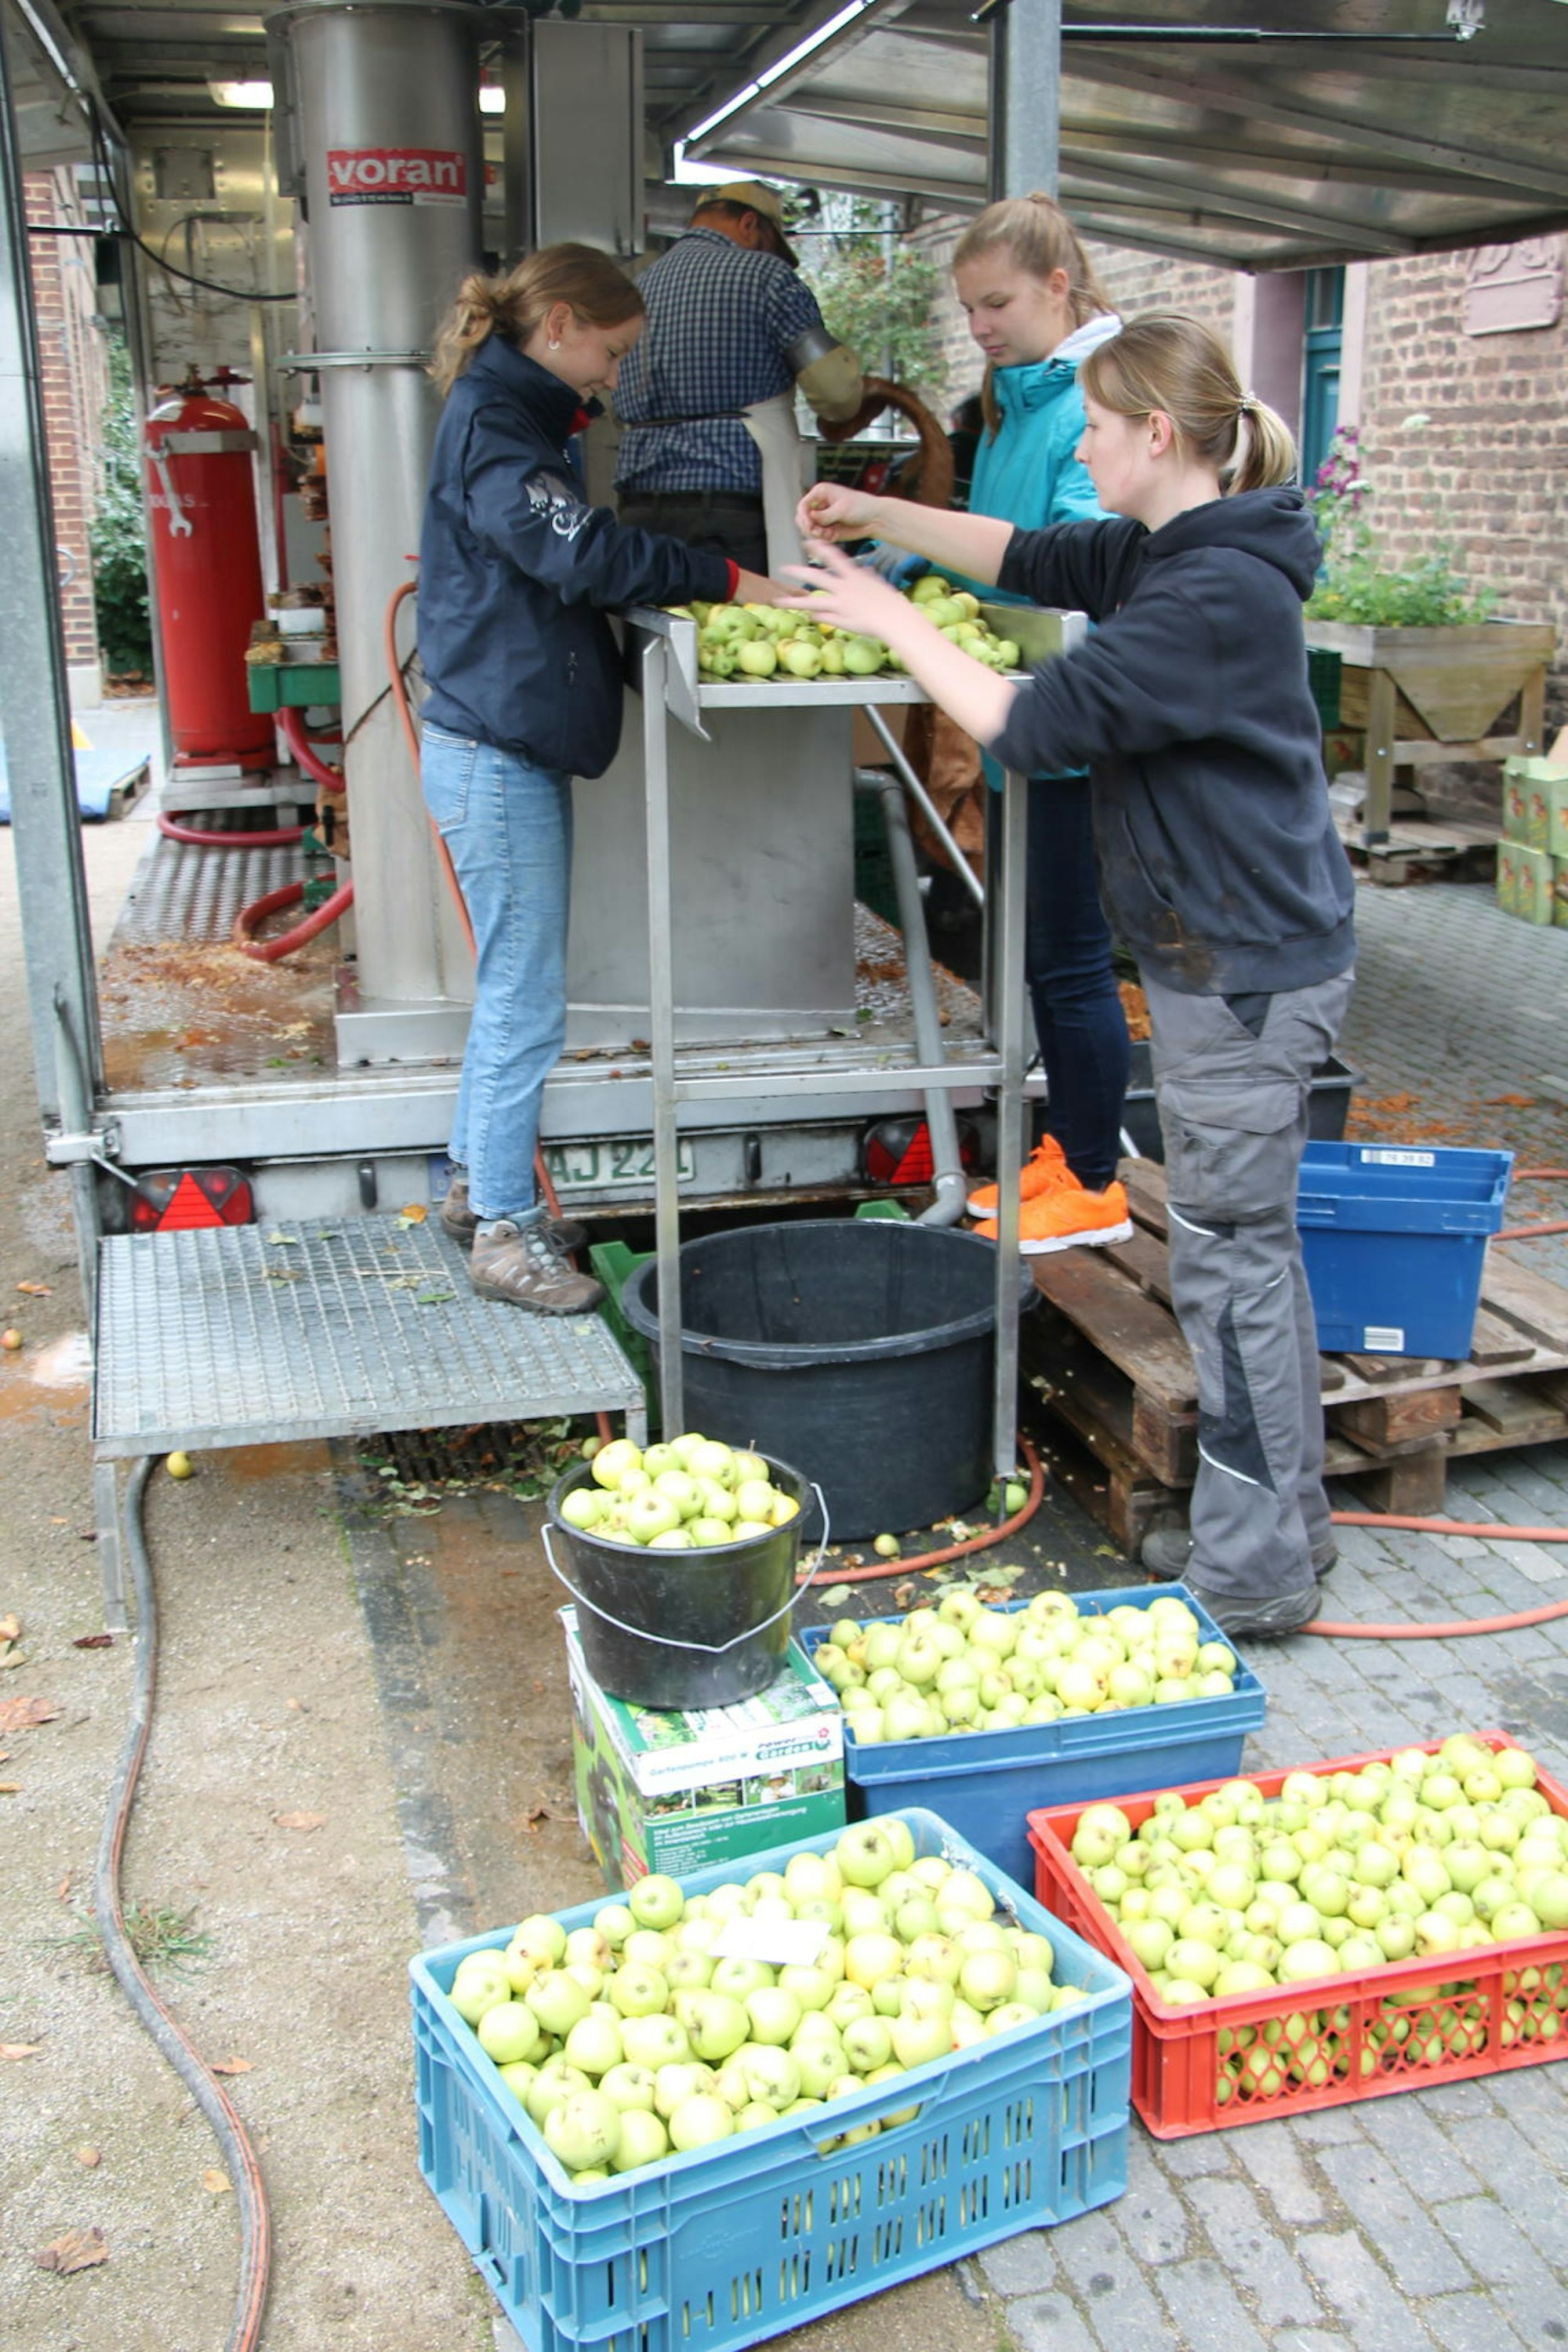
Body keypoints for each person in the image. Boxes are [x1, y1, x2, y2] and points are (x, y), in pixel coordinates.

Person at [785, 313, 1356, 1639]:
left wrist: (878, 614)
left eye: (1095, 426)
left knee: (1230, 1265)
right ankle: (1289, 1530)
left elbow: (1030, 727)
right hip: (1237, 956)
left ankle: (1258, 1572)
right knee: (1246, 1254)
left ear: (1156, 434)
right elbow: (1027, 556)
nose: (1080, 446)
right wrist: (882, 512)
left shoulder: (1216, 594)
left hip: (1250, 976)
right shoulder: (1172, 551)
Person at [418, 243, 782, 1315]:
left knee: (511, 992)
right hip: (495, 753)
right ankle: (504, 1231)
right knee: (526, 1001)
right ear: (564, 322)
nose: (617, 379)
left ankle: (468, 1188)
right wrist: (725, 575)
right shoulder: (497, 426)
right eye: (614, 355)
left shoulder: (524, 416)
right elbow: (580, 558)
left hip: (504, 744)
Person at [945, 194, 1131, 1252]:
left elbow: (1066, 558)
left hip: (1066, 720)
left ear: (1059, 286)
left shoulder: (1088, 401)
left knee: (1069, 955)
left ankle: (1097, 1177)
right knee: (1030, 951)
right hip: (1017, 715)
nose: (980, 325)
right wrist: (894, 566)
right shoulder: (1015, 401)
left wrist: (948, 601)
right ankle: (1064, 1149)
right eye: (969, 308)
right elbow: (982, 537)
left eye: (997, 302)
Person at [614, 182, 862, 572]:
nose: (774, 257)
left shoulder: (634, 289)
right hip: (730, 514)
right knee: (744, 631)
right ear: (750, 224)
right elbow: (837, 393)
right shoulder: (766, 277)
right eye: (772, 245)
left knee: (656, 631)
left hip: (640, 508)